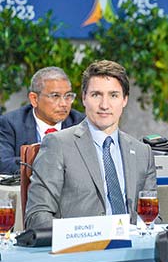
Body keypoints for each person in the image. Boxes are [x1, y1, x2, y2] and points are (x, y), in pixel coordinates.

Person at [25, 60, 156, 229]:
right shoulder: (58, 145)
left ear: (124, 100)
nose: (104, 105)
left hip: (133, 249)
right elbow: (37, 216)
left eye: (113, 95)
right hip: (82, 250)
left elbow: (152, 216)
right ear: (84, 98)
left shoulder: (142, 152)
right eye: (96, 95)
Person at [0, 67, 85, 174]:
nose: (64, 104)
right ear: (34, 99)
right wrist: (47, 162)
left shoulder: (81, 123)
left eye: (68, 96)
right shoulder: (10, 123)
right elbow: (3, 163)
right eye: (55, 96)